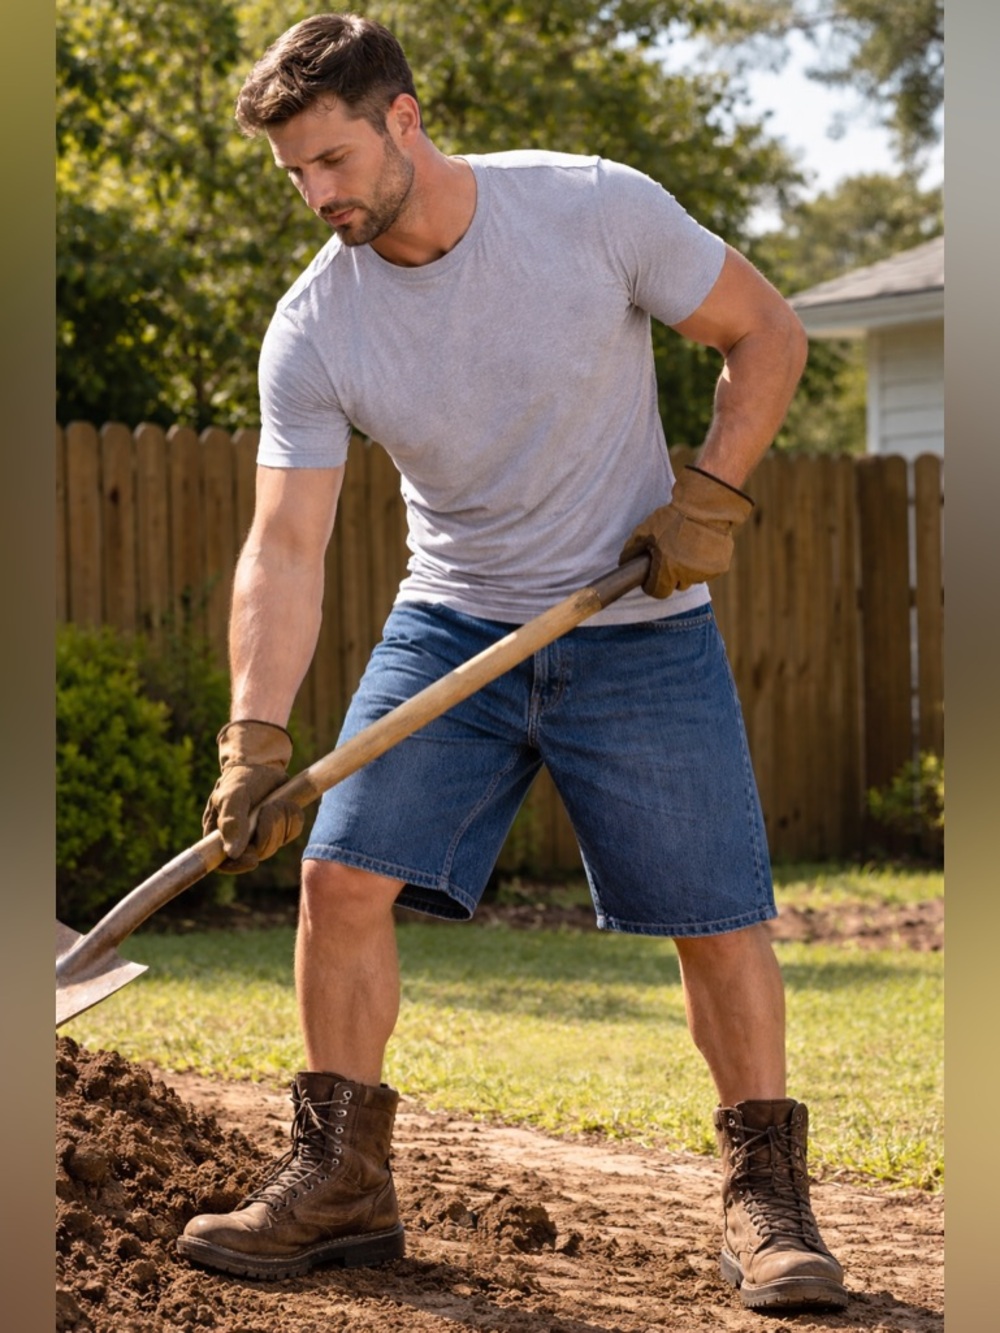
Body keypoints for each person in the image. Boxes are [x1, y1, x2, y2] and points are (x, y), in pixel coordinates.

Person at [176, 11, 848, 1313]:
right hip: (457, 622)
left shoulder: (592, 211)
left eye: (331, 160)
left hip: (637, 624)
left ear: (405, 121)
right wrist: (253, 738)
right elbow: (288, 545)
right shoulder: (317, 327)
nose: (317, 194)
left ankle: (767, 1200)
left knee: (717, 916)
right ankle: (341, 1182)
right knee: (338, 876)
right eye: (294, 174)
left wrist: (706, 494)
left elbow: (766, 331)